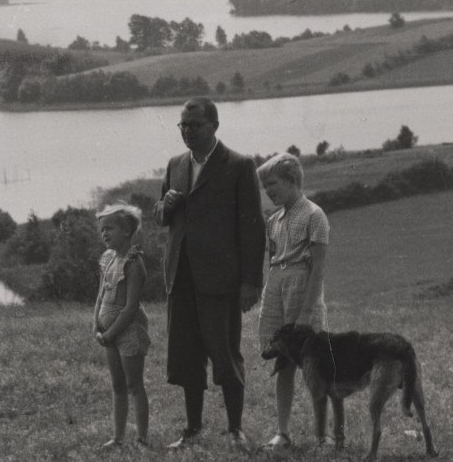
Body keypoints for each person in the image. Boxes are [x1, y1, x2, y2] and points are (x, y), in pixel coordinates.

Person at [154, 97, 266, 451]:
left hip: (221, 280)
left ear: (214, 126)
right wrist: (165, 206)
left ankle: (235, 429)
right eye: (183, 125)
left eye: (195, 125)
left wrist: (251, 282)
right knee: (186, 355)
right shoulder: (175, 164)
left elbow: (253, 228)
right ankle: (192, 429)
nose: (187, 131)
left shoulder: (239, 165)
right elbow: (160, 215)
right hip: (181, 277)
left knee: (225, 353)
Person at [256, 152, 330, 451]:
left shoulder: (314, 215)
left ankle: (323, 436)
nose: (268, 191)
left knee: (315, 366)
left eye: (272, 184)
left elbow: (318, 268)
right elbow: (272, 258)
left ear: (292, 180)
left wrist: (306, 312)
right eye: (265, 186)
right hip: (276, 284)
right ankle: (283, 433)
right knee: (281, 361)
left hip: (302, 284)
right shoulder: (273, 220)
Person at [92, 203, 150, 449]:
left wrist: (112, 332)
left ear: (126, 231)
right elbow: (100, 296)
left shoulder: (134, 263)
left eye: (110, 228)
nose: (104, 234)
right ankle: (117, 438)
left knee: (133, 384)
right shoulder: (107, 260)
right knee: (117, 385)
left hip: (127, 331)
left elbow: (130, 307)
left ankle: (141, 438)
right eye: (102, 229)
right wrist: (96, 325)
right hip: (108, 334)